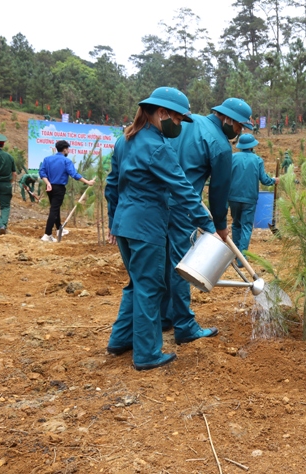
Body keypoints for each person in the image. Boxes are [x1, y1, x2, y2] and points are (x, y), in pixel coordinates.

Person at [105, 86, 217, 371]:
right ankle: (147, 354)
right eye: (178, 119)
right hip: (147, 227)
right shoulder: (157, 146)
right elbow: (182, 187)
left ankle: (120, 340)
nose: (178, 124)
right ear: (162, 113)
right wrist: (207, 224)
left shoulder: (124, 141)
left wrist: (113, 221)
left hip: (125, 225)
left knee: (137, 283)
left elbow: (112, 186)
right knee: (150, 288)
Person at [162, 97, 253, 341]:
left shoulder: (188, 122)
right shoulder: (220, 145)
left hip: (158, 202)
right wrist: (220, 227)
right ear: (228, 119)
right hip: (183, 207)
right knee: (183, 264)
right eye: (239, 126)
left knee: (164, 260)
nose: (239, 132)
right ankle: (184, 326)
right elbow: (219, 191)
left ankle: (164, 316)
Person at [229, 134, 277, 257]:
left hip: (233, 197)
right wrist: (274, 180)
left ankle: (235, 254)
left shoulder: (232, 158)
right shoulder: (257, 160)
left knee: (236, 224)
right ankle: (242, 257)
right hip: (249, 198)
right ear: (252, 146)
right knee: (246, 226)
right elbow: (265, 180)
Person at [38, 141, 94, 242]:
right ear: (64, 149)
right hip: (59, 188)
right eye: (68, 149)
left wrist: (48, 183)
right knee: (54, 210)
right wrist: (88, 182)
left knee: (55, 208)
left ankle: (59, 229)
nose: (68, 151)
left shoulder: (47, 159)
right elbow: (74, 174)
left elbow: (42, 172)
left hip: (50, 187)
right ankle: (47, 234)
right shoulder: (66, 161)